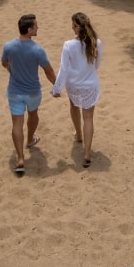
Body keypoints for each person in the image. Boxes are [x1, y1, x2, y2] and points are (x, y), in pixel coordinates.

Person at [1, 14, 56, 175]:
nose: (38, 28)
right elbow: (49, 71)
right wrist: (57, 86)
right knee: (33, 115)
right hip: (32, 92)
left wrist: (12, 70)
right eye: (36, 26)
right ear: (29, 30)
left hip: (14, 91)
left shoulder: (8, 46)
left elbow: (4, 63)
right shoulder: (37, 50)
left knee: (17, 124)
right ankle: (30, 139)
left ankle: (20, 158)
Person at [50, 12, 102, 168]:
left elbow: (63, 69)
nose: (71, 28)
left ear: (76, 27)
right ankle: (87, 153)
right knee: (89, 117)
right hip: (90, 84)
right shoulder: (97, 42)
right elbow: (97, 65)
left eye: (73, 25)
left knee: (73, 107)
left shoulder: (68, 45)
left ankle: (78, 134)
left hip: (74, 85)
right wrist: (89, 72)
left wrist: (56, 88)